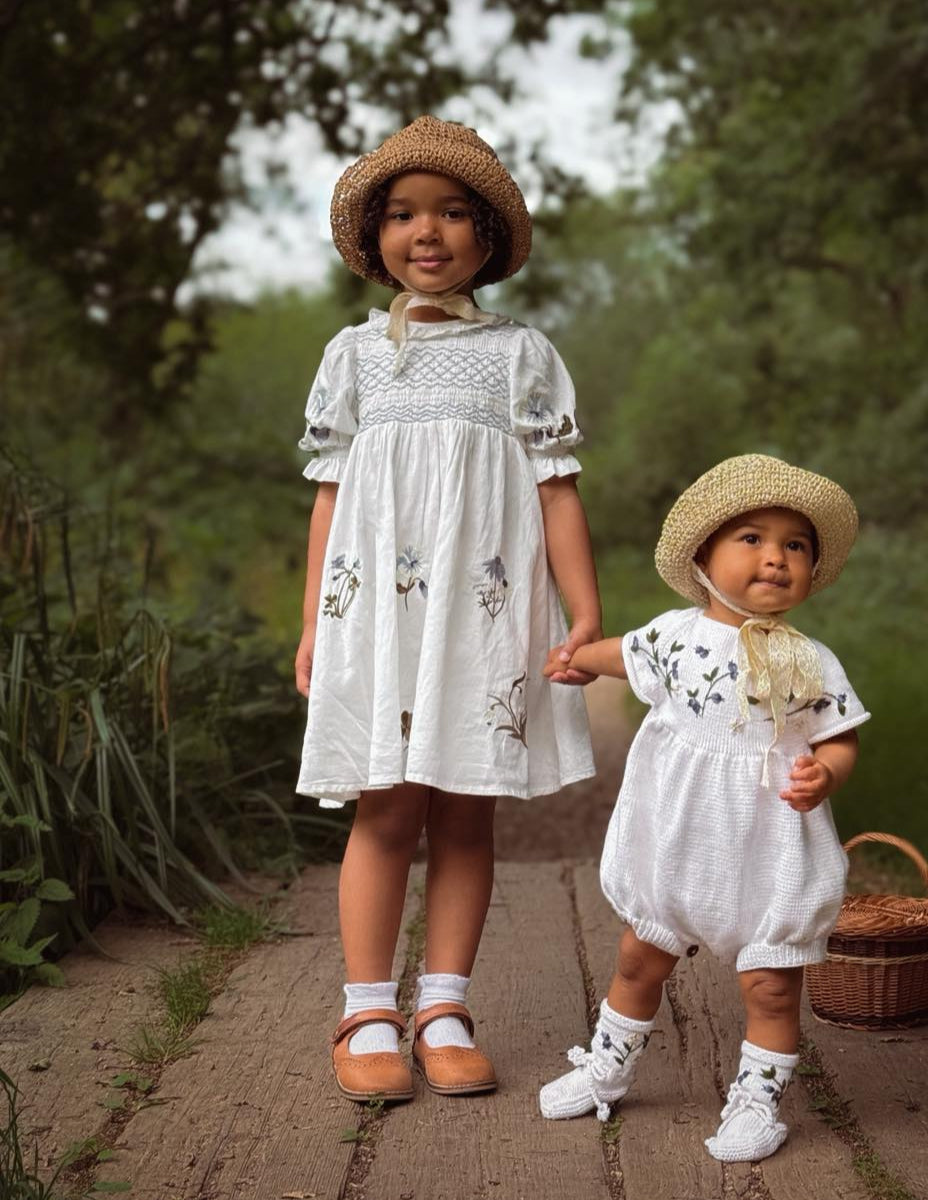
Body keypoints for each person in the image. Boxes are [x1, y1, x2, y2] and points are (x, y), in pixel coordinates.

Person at [294, 116, 600, 1104]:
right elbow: (330, 499)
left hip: (484, 617)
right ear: (375, 239)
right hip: (378, 620)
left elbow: (556, 490)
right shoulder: (351, 359)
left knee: (467, 808)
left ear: (486, 238)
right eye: (403, 214)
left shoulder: (522, 356)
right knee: (386, 807)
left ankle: (446, 1004)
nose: (427, 233)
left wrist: (582, 619)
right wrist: (312, 624)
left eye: (453, 213)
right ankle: (368, 1005)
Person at [538, 453, 870, 1162]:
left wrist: (826, 775)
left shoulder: (810, 660)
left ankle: (758, 1099)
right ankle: (608, 1064)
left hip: (767, 847)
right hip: (678, 838)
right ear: (703, 556)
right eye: (752, 538)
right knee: (638, 956)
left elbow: (841, 737)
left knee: (772, 985)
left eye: (796, 545)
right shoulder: (674, 635)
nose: (776, 558)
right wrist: (574, 657)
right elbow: (621, 654)